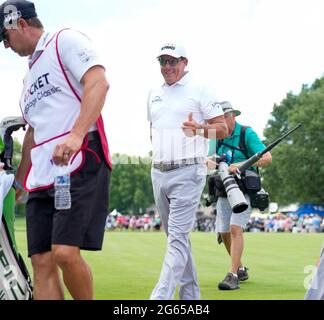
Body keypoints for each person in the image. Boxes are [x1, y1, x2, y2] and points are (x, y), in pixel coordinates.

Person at [0, 0, 112, 300]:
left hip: (76, 163)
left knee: (63, 252)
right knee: (41, 261)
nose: (6, 46)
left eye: (5, 37)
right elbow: (33, 133)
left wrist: (76, 136)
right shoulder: (27, 80)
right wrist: (20, 182)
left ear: (20, 24)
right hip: (42, 177)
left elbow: (98, 82)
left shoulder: (64, 41)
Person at [147, 42, 228, 300]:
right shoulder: (153, 92)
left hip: (189, 171)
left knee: (177, 239)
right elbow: (153, 130)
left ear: (184, 62)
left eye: (172, 61)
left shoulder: (201, 88)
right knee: (176, 239)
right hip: (158, 172)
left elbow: (223, 128)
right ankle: (191, 298)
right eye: (163, 61)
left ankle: (159, 298)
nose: (167, 67)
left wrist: (200, 129)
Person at [207, 101, 272, 290]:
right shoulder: (215, 136)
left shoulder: (246, 134)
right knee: (224, 232)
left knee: (236, 229)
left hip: (244, 190)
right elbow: (208, 157)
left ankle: (232, 275)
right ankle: (241, 268)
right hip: (223, 189)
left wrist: (240, 164)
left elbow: (267, 158)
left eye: (223, 117)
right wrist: (210, 162)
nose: (219, 121)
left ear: (232, 116)